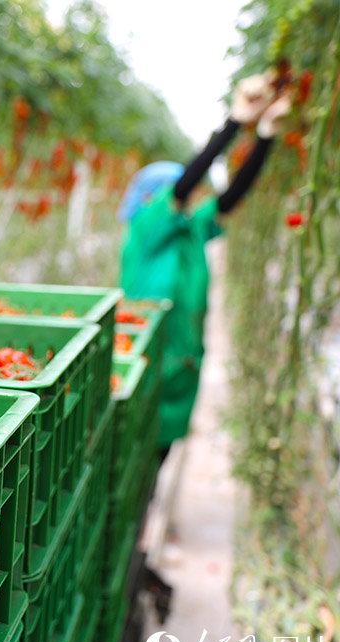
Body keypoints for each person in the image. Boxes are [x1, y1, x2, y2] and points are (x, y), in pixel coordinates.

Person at [117, 74, 291, 458]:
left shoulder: (191, 228)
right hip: (144, 367)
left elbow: (229, 199)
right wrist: (233, 123)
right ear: (149, 198)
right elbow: (183, 184)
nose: (190, 197)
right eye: (178, 193)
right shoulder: (144, 232)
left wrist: (264, 136)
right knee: (130, 457)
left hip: (179, 367)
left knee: (155, 461)